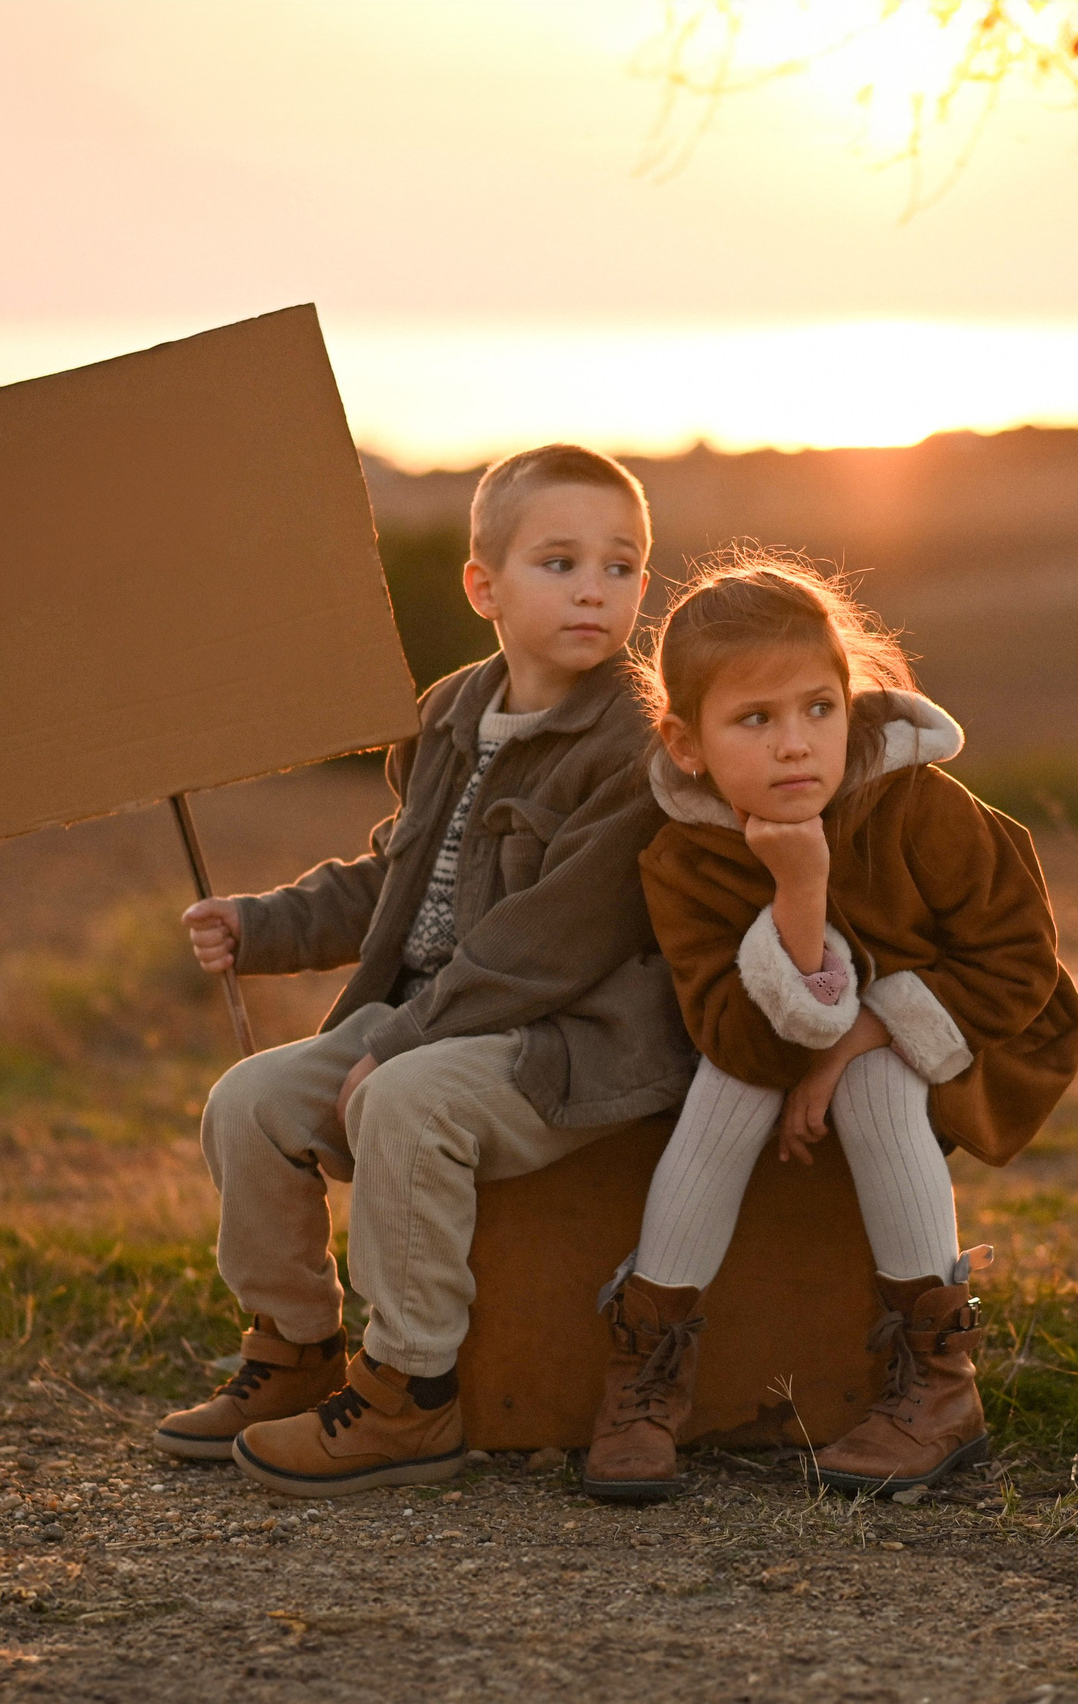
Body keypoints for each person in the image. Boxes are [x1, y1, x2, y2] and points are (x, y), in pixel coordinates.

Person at [155, 444, 694, 1497]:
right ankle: (296, 1348)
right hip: (424, 1017)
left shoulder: (635, 743)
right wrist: (260, 927)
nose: (596, 587)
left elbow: (552, 944)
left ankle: (411, 1391)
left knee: (404, 1102)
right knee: (250, 1101)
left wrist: (399, 1044)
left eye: (622, 566)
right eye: (559, 562)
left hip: (566, 1046)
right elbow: (392, 878)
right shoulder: (452, 711)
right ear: (483, 587)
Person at [583, 552, 1078, 1502]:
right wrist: (799, 893)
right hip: (779, 1041)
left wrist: (862, 1032)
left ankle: (942, 1386)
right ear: (685, 743)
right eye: (754, 720)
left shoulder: (919, 801)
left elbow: (1018, 963)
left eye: (819, 707)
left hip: (980, 1024)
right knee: (731, 1082)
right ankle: (644, 1375)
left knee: (872, 1077)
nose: (795, 746)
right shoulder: (682, 860)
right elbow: (743, 1040)